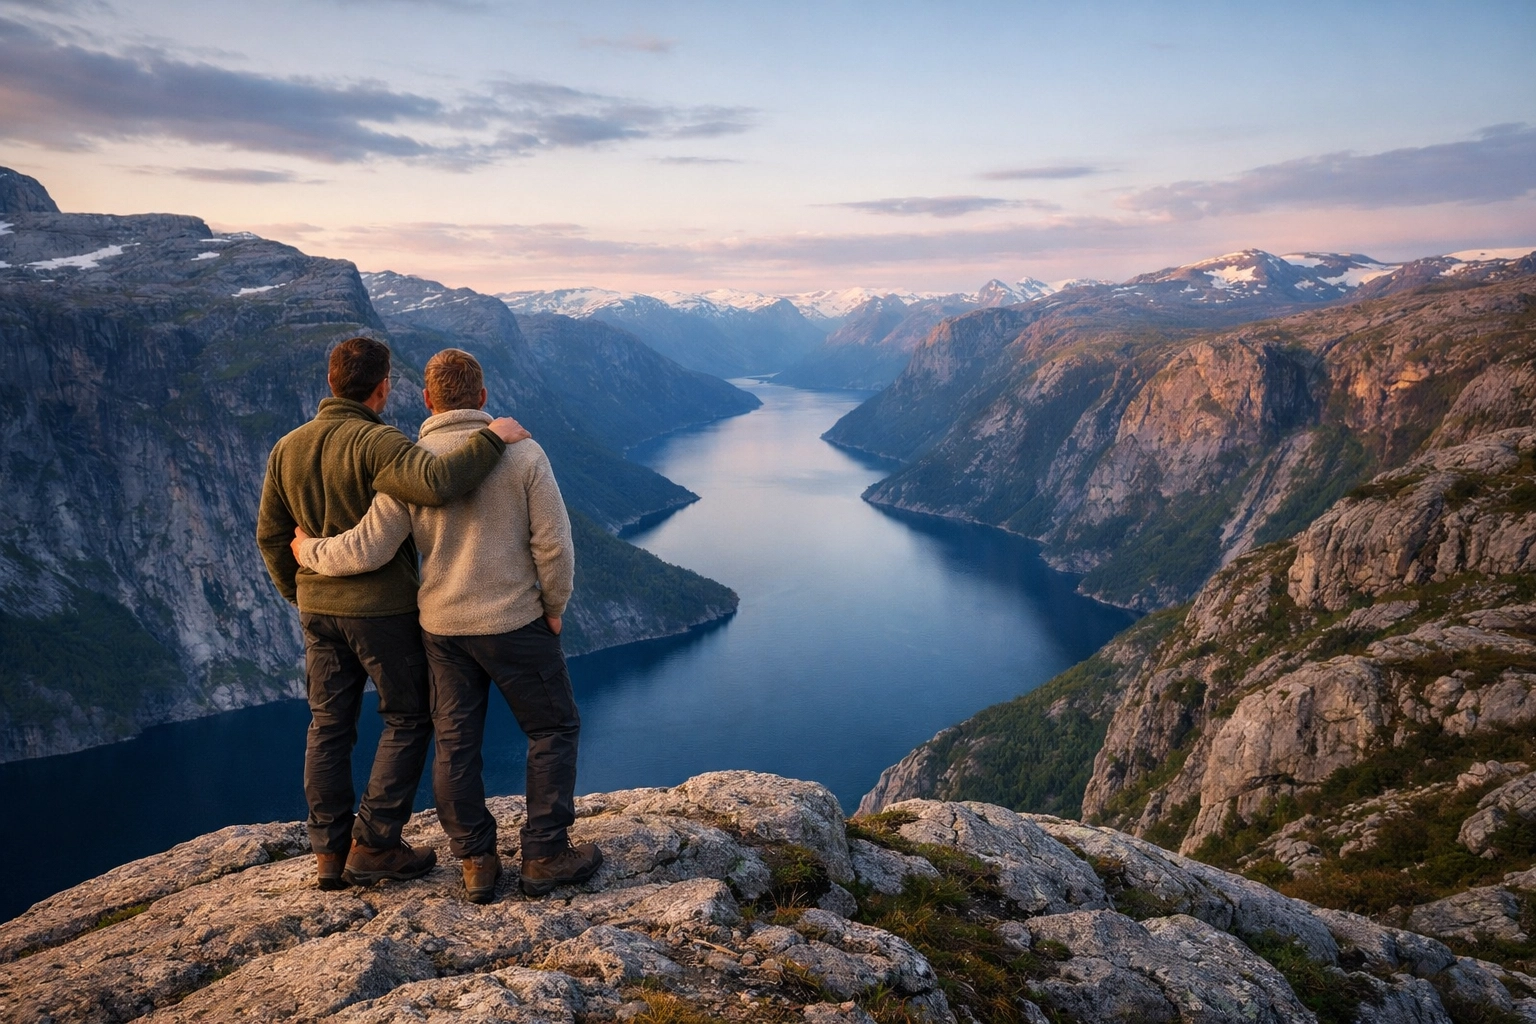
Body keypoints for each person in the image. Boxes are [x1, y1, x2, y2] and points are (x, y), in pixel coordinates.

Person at [291, 347, 602, 903]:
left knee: (457, 745)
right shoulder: (524, 454)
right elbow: (553, 545)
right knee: (552, 729)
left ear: (429, 400)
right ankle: (545, 854)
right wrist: (554, 605)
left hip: (442, 628)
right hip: (515, 622)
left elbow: (366, 548)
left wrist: (306, 549)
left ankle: (476, 861)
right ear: (481, 399)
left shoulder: (408, 464)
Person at [257, 336, 529, 892]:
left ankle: (329, 853)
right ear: (384, 387)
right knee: (408, 717)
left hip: (318, 609)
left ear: (331, 384)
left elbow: (271, 536)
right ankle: (376, 842)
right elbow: (439, 482)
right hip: (381, 611)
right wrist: (493, 437)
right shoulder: (378, 442)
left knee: (329, 726)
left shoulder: (286, 448)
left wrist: (300, 593)